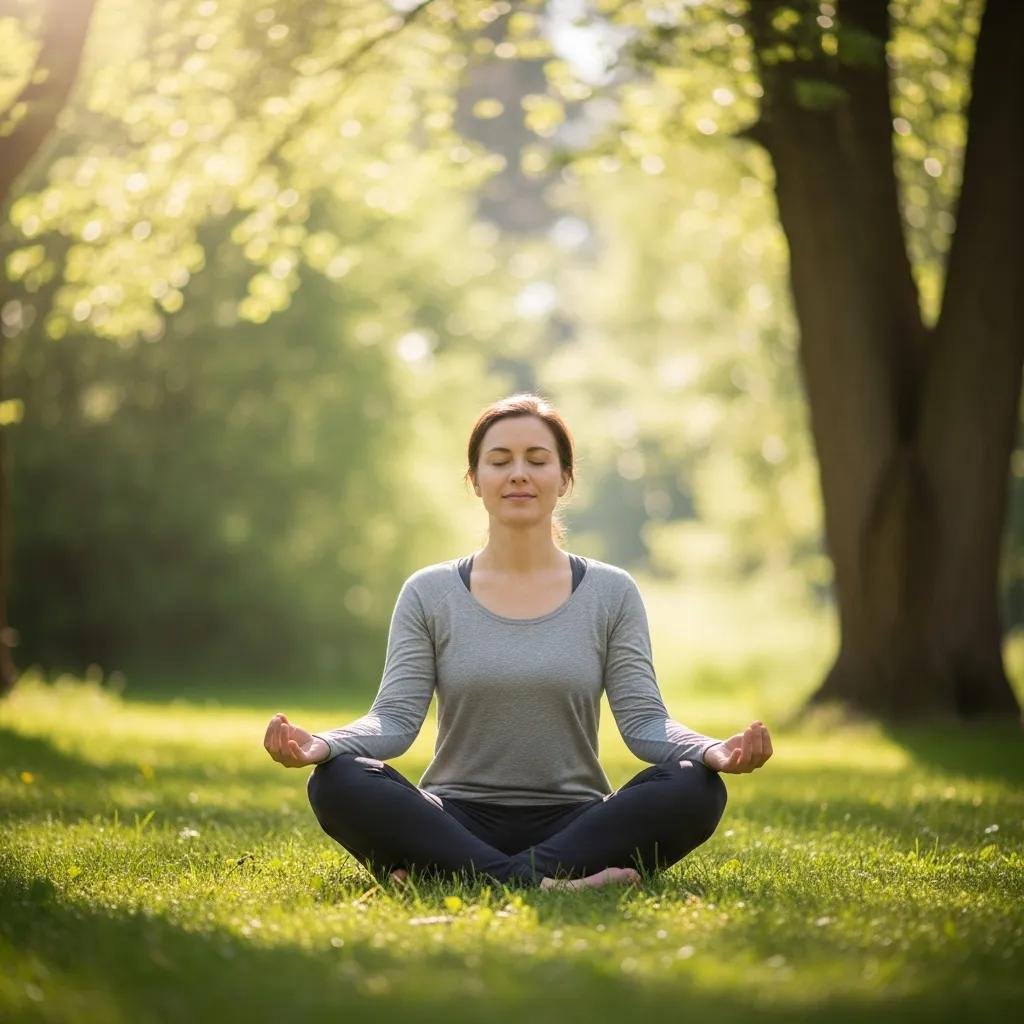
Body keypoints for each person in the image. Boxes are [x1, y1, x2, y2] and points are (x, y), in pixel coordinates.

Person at [264, 393, 773, 891]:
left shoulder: (611, 592)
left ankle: (452, 873)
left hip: (576, 823)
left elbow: (644, 722)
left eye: (537, 459)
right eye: (499, 460)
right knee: (337, 779)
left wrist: (713, 752)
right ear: (476, 481)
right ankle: (552, 883)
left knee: (694, 785)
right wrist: (323, 745)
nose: (518, 474)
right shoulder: (429, 592)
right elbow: (394, 720)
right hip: (454, 818)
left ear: (564, 478)